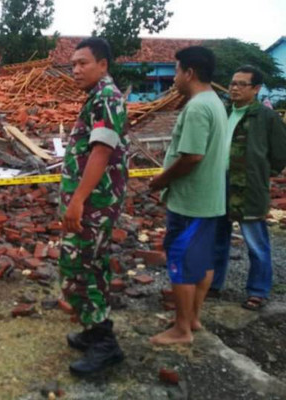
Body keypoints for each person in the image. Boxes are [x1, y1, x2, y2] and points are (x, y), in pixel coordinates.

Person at [59, 38, 129, 376]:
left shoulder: (106, 98)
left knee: (86, 267)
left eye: (83, 63)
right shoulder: (98, 97)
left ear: (103, 64)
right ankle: (92, 330)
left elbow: (101, 153)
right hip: (92, 202)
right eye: (73, 64)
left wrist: (77, 200)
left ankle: (105, 345)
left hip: (94, 204)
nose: (75, 70)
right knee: (87, 263)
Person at [149, 46, 227, 345]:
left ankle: (181, 330)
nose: (174, 78)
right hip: (209, 201)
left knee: (180, 261)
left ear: (189, 72)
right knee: (203, 262)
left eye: (177, 71)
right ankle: (193, 318)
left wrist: (160, 181)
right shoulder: (215, 102)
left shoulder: (196, 108)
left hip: (191, 202)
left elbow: (192, 156)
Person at [210, 65, 286, 310]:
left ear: (256, 88)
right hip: (220, 184)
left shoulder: (266, 117)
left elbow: (280, 155)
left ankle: (258, 290)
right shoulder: (223, 112)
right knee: (218, 239)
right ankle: (214, 285)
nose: (234, 88)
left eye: (241, 84)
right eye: (232, 83)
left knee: (256, 241)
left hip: (250, 188)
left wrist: (261, 173)